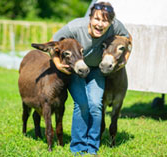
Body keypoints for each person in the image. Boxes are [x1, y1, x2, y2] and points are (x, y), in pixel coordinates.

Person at [51, 1, 132, 155]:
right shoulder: (75, 27)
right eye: (97, 19)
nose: (100, 24)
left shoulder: (116, 26)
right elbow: (53, 43)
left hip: (96, 70)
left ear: (110, 22)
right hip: (77, 70)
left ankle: (92, 147)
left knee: (95, 105)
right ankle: (78, 147)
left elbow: (129, 40)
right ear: (90, 18)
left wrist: (125, 59)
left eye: (105, 21)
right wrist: (57, 63)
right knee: (82, 104)